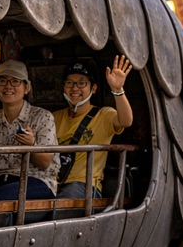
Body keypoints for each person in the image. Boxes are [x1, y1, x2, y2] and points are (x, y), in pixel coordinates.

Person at [0, 59, 58, 201]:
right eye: (2, 81)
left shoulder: (43, 116)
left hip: (36, 180)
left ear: (27, 88)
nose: (8, 86)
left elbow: (45, 163)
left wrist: (31, 145)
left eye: (15, 81)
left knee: (5, 194)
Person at [51, 57, 134, 198]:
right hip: (52, 182)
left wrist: (117, 89)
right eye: (69, 83)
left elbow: (126, 121)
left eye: (81, 83)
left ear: (93, 88)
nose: (75, 88)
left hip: (84, 185)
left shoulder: (104, 115)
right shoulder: (53, 117)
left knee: (63, 204)